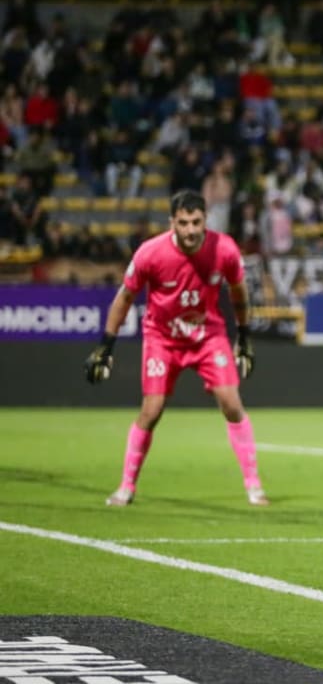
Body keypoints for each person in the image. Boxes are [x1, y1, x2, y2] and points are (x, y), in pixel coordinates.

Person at [84, 190, 267, 507]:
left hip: (208, 336)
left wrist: (245, 336)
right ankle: (126, 487)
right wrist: (106, 346)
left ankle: (254, 486)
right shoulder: (150, 253)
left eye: (196, 222)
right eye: (183, 223)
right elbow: (124, 298)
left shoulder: (224, 249)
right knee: (151, 411)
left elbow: (238, 292)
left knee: (231, 402)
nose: (191, 230)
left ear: (205, 220)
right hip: (162, 338)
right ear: (172, 223)